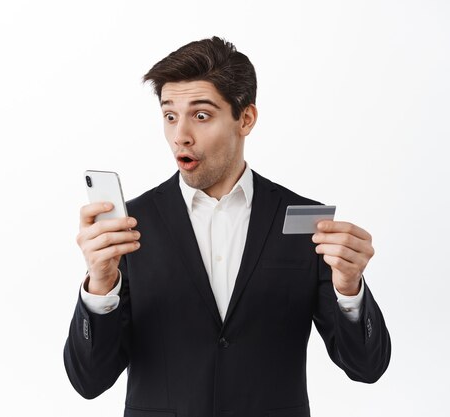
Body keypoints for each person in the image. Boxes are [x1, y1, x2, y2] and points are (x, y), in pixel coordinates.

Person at [64, 36, 391, 417]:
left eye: (200, 115)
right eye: (170, 116)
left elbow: (366, 368)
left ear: (246, 118)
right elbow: (89, 382)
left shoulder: (306, 222)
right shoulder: (129, 228)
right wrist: (100, 287)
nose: (180, 135)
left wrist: (349, 289)